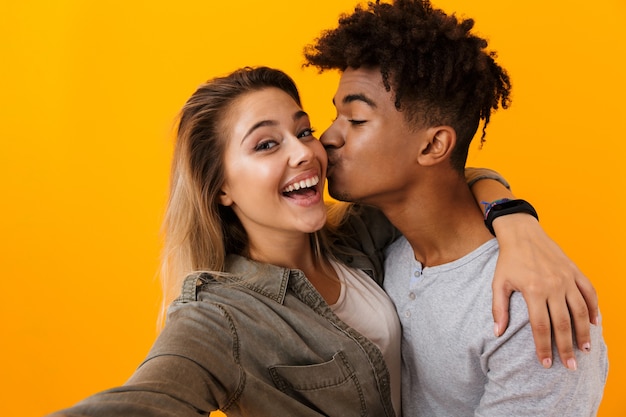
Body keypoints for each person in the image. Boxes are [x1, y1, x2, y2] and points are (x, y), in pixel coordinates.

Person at [47, 65, 596, 416]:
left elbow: (451, 176)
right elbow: (146, 400)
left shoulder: (362, 234)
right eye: (266, 145)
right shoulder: (220, 317)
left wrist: (517, 222)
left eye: (303, 129)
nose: (308, 150)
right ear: (220, 189)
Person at [304, 0, 608, 415]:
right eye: (335, 115)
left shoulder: (529, 307)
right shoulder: (387, 246)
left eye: (356, 120)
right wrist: (513, 214)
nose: (328, 137)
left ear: (432, 145)